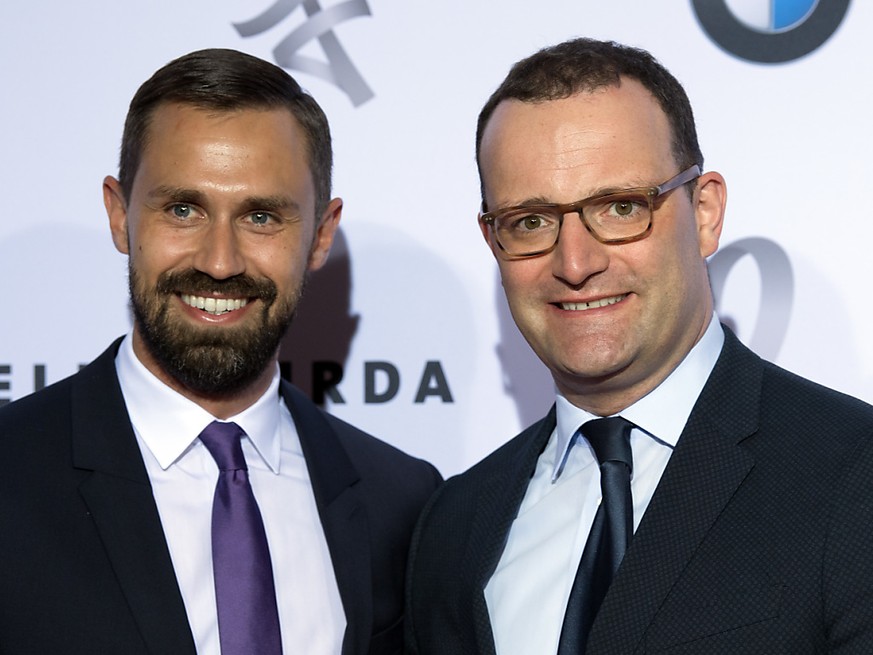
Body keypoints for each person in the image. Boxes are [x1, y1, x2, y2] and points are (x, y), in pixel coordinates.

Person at [405, 37, 873, 654]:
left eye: (621, 207)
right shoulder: (454, 523)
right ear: (493, 241)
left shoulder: (851, 473)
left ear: (705, 213)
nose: (575, 263)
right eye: (530, 222)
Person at [0, 48, 441, 655]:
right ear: (119, 214)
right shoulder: (10, 474)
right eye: (183, 209)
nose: (219, 261)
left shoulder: (402, 501)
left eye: (261, 216)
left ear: (320, 235)